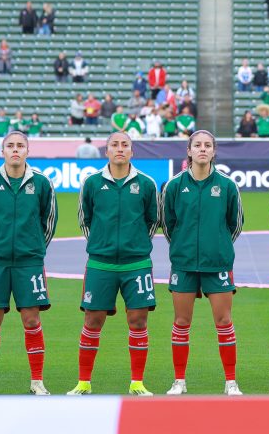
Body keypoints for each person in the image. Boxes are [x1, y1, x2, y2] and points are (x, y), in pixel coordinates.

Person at [68, 132, 160, 396]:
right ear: (106, 150)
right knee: (92, 321)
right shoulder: (92, 183)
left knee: (139, 321)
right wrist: (101, 244)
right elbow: (85, 219)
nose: (120, 149)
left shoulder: (146, 183)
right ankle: (84, 382)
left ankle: (137, 383)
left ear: (132, 151)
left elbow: (153, 220)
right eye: (114, 145)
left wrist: (135, 244)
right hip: (100, 264)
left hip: (137, 264)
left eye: (125, 145)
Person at [0, 131, 57, 396]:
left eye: (20, 146)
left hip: (29, 262)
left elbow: (48, 221)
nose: (15, 150)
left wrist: (34, 248)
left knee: (31, 320)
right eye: (10, 146)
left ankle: (37, 381)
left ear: (27, 151)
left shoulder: (42, 183)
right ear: (2, 151)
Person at [161, 131, 245, 396]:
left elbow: (235, 224)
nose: (202, 149)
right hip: (184, 264)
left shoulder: (227, 185)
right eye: (197, 145)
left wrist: (218, 244)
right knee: (181, 322)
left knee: (224, 321)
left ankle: (231, 381)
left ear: (214, 151)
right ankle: (179, 381)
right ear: (189, 150)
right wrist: (183, 246)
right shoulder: (174, 186)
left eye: (208, 145)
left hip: (217, 263)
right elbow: (168, 224)